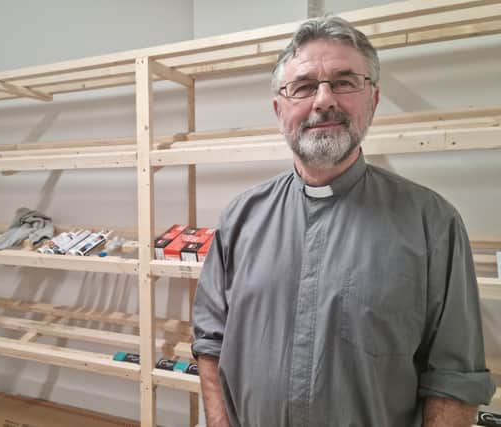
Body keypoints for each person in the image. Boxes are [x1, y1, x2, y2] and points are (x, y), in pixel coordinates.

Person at [191, 15, 496, 427]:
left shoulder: (433, 225)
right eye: (303, 87)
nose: (323, 100)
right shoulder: (241, 218)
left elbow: (453, 382)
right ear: (279, 109)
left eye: (344, 81)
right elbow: (210, 343)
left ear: (372, 99)